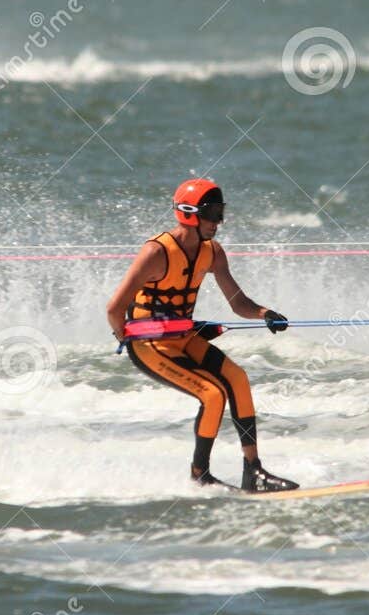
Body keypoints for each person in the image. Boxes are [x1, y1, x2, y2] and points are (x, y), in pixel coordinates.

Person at [106, 178, 298, 492]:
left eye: (220, 213)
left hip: (182, 338)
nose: (217, 223)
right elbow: (115, 308)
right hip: (149, 346)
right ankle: (200, 476)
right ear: (189, 213)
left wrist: (265, 313)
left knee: (237, 378)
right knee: (212, 394)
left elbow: (238, 303)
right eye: (211, 214)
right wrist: (125, 337)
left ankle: (253, 471)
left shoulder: (213, 252)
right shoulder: (157, 252)